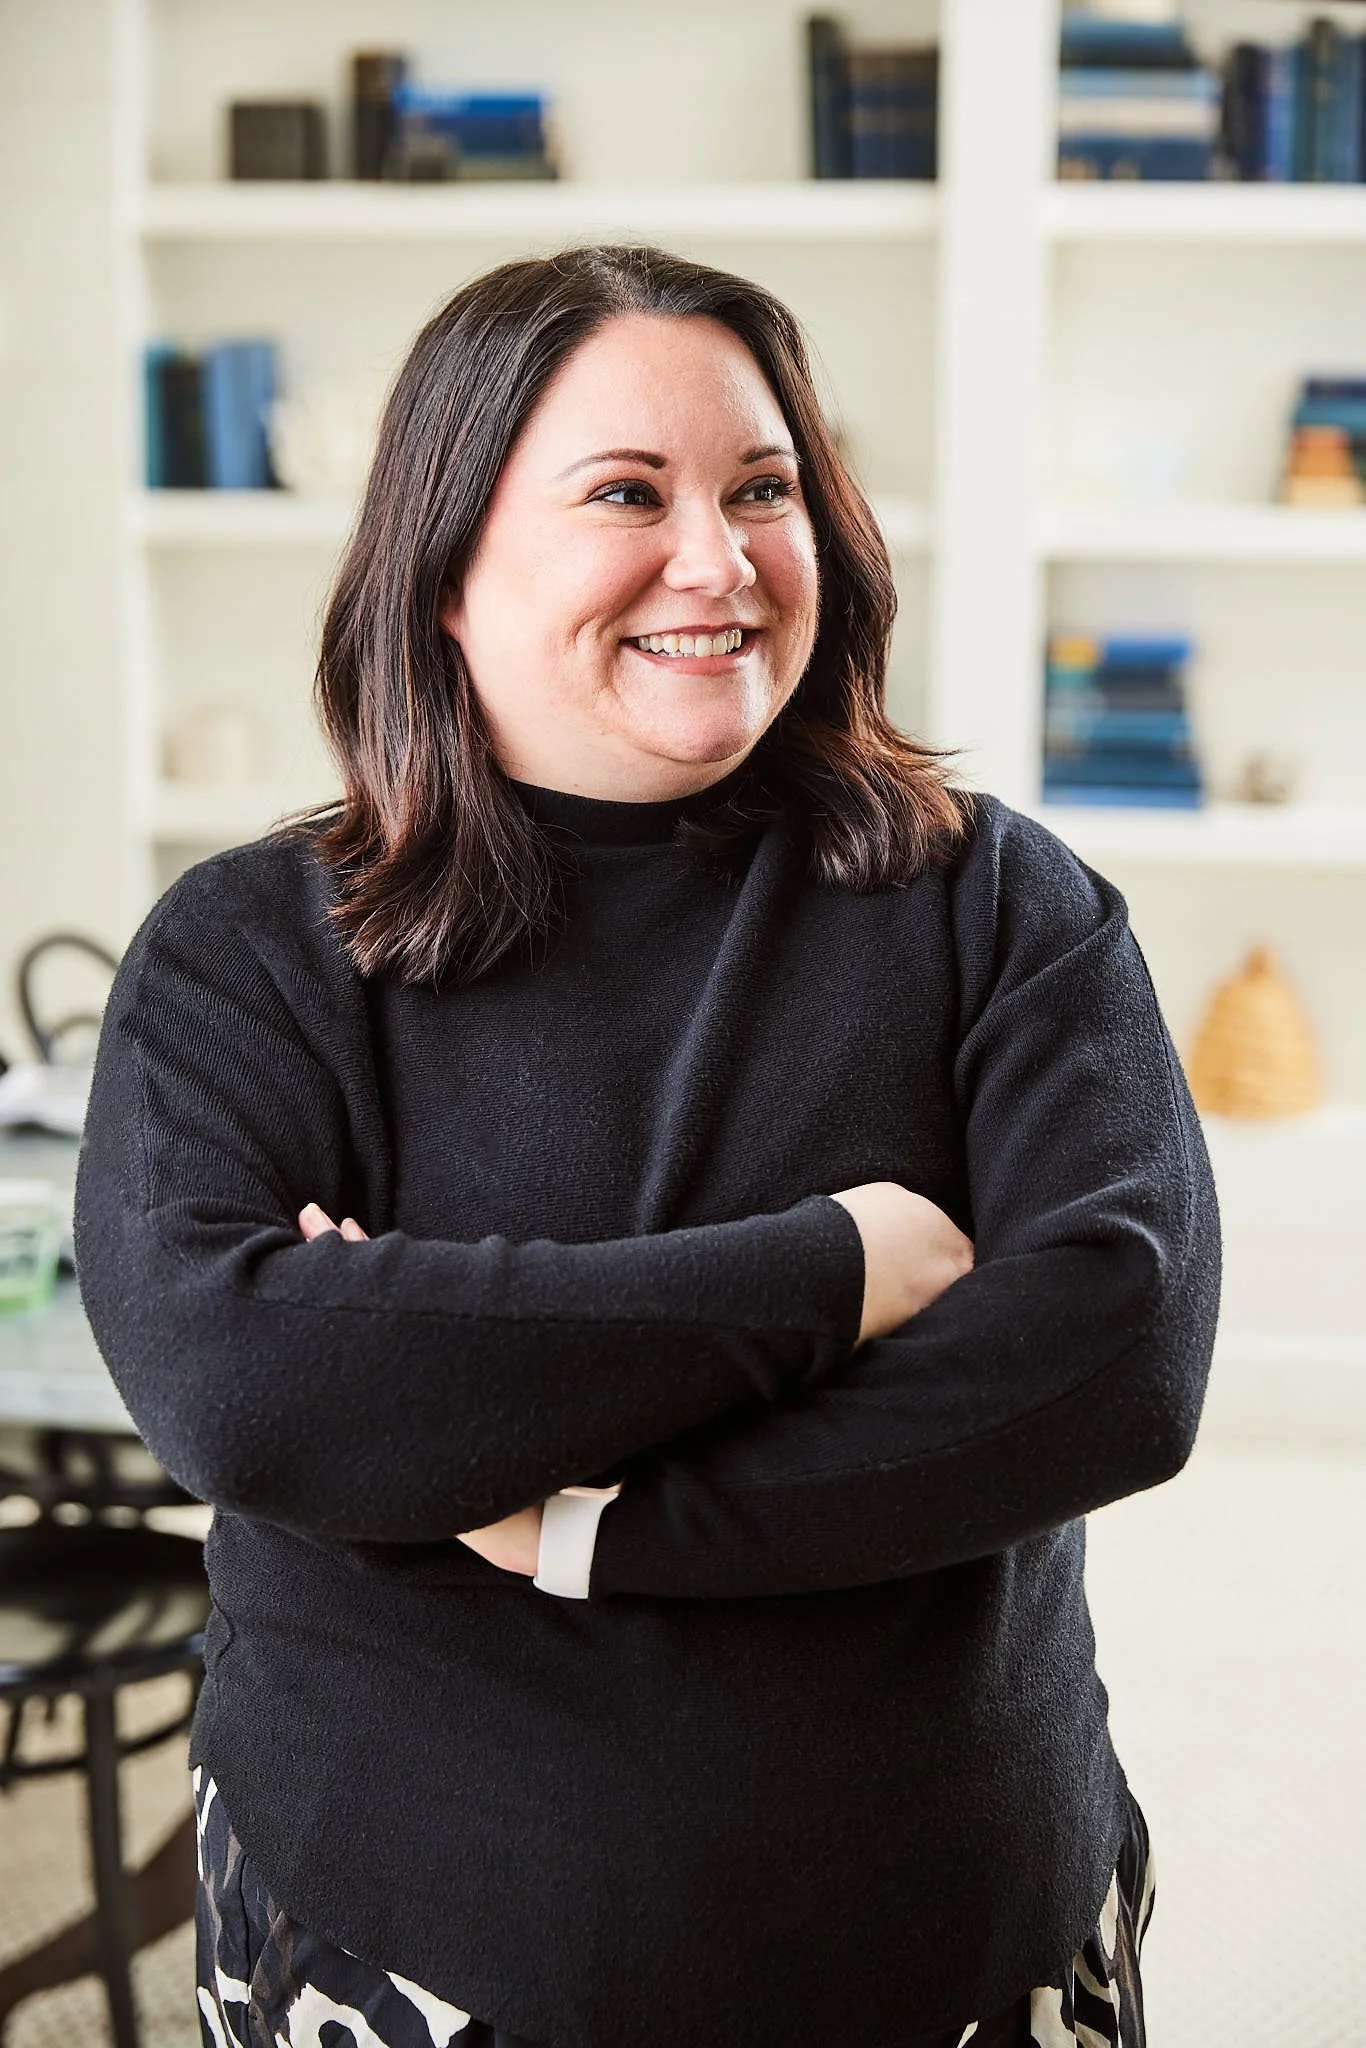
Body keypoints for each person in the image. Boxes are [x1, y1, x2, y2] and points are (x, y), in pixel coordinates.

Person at [76, 244, 1219, 2048]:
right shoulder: (247, 949)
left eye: (762, 489)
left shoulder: (993, 901)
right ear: (443, 567)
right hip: (403, 1925)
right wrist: (843, 1265)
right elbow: (250, 1383)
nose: (720, 558)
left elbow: (1118, 1357)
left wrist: (582, 1519)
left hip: (947, 1918)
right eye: (628, 492)